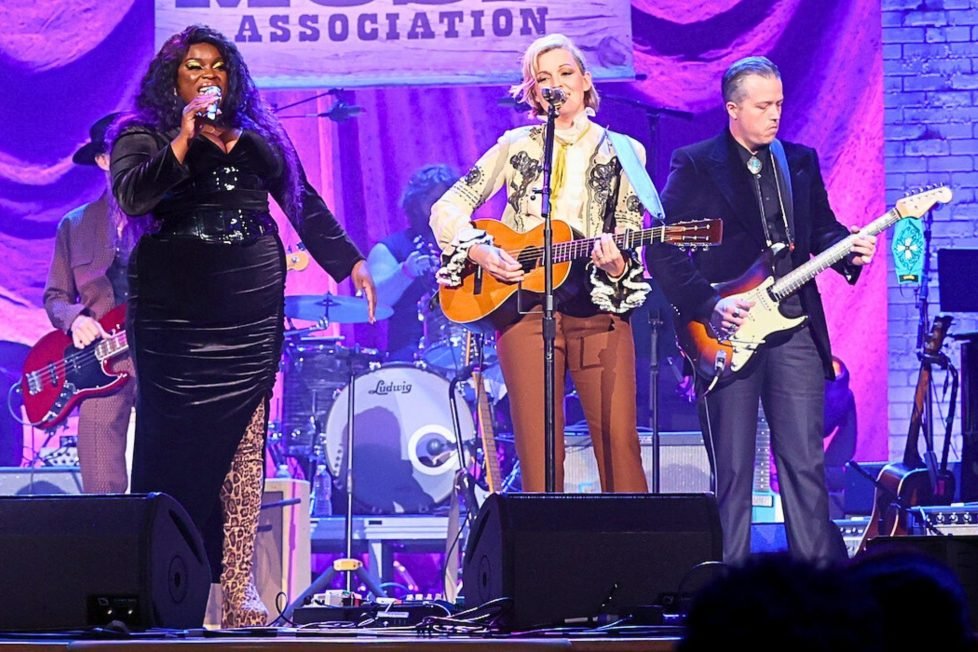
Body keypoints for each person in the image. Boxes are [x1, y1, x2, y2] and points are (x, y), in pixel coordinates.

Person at [110, 25, 376, 627]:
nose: (207, 76)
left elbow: (302, 201)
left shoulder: (263, 133)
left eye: (218, 67)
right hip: (173, 309)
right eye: (193, 67)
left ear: (232, 75)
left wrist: (350, 262)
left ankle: (237, 588)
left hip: (248, 302)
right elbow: (132, 197)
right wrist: (181, 140)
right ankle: (161, 583)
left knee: (243, 446)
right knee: (167, 446)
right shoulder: (141, 133)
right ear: (171, 79)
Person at [645, 56, 876, 565]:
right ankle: (732, 588)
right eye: (763, 105)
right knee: (733, 470)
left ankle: (816, 586)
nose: (775, 115)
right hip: (727, 331)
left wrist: (850, 250)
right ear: (733, 109)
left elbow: (822, 231)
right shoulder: (697, 162)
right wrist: (709, 305)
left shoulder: (799, 160)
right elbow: (658, 248)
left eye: (779, 104)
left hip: (794, 325)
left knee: (803, 463)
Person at [430, 33, 650, 493]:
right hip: (525, 308)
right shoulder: (515, 146)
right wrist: (479, 250)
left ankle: (631, 556)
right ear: (532, 93)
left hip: (598, 307)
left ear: (586, 82)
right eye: (543, 78)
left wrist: (615, 265)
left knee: (618, 442)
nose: (557, 85)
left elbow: (630, 229)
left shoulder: (626, 150)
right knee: (539, 450)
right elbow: (447, 208)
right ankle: (545, 558)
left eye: (566, 74)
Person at [43, 113, 153, 494]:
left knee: (164, 477)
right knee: (101, 485)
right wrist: (74, 320)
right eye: (123, 152)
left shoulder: (167, 220)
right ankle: (110, 552)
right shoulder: (75, 224)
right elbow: (56, 296)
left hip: (159, 354)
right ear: (104, 161)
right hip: (100, 362)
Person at [366, 164, 456, 362]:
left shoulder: (471, 243)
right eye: (436, 201)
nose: (444, 208)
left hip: (471, 355)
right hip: (410, 358)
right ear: (416, 204)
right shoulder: (391, 248)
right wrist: (405, 272)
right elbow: (372, 303)